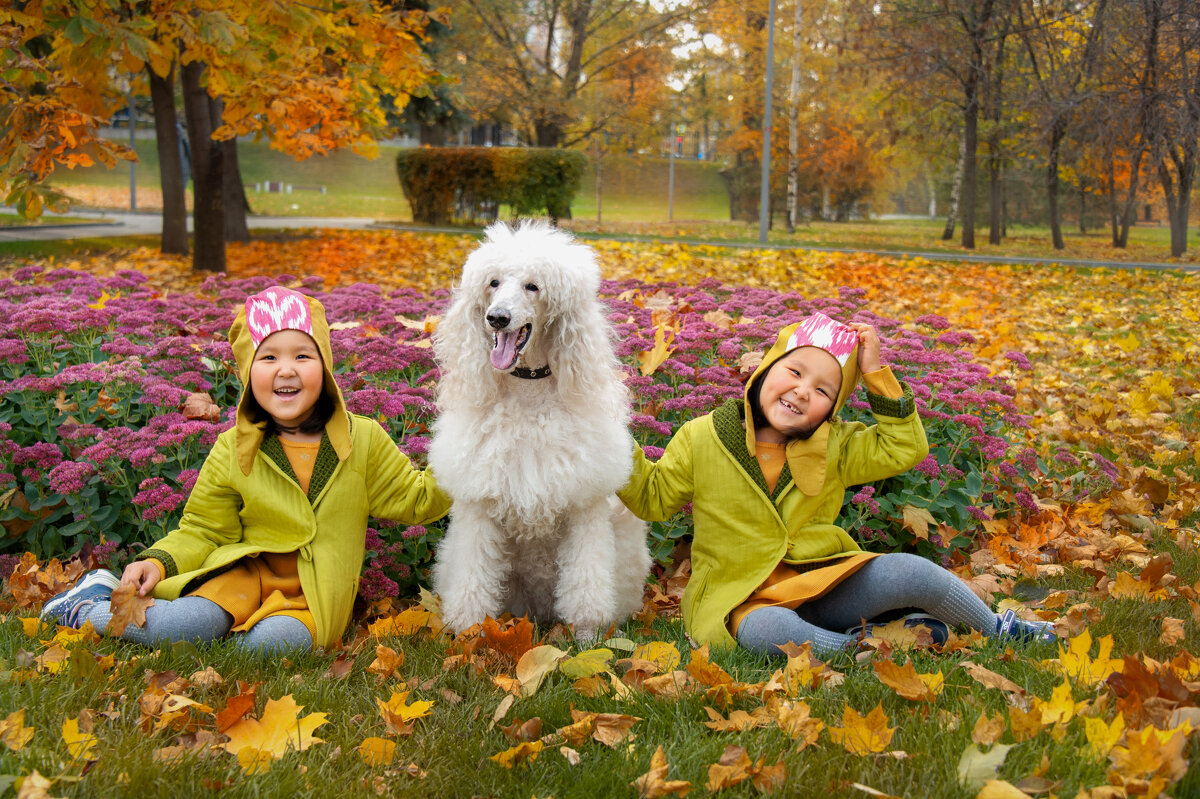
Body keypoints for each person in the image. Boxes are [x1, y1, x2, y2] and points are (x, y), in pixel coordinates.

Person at [618, 312, 1055, 656]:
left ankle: (998, 629)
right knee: (771, 631)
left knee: (912, 570)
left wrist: (876, 373)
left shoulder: (837, 445)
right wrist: (608, 439)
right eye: (794, 372)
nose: (803, 391)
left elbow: (905, 448)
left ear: (831, 410)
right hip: (740, 599)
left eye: (823, 391)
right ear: (766, 368)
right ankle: (864, 648)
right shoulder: (703, 435)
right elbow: (653, 496)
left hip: (822, 583)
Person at [41, 286, 450, 654]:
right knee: (178, 627)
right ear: (247, 373)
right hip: (241, 577)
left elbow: (416, 499)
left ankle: (227, 638)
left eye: (302, 356)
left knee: (268, 649)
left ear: (324, 368)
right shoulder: (234, 447)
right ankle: (87, 604)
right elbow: (204, 530)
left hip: (313, 597)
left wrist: (467, 456)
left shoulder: (364, 440)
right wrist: (160, 561)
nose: (285, 370)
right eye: (268, 357)